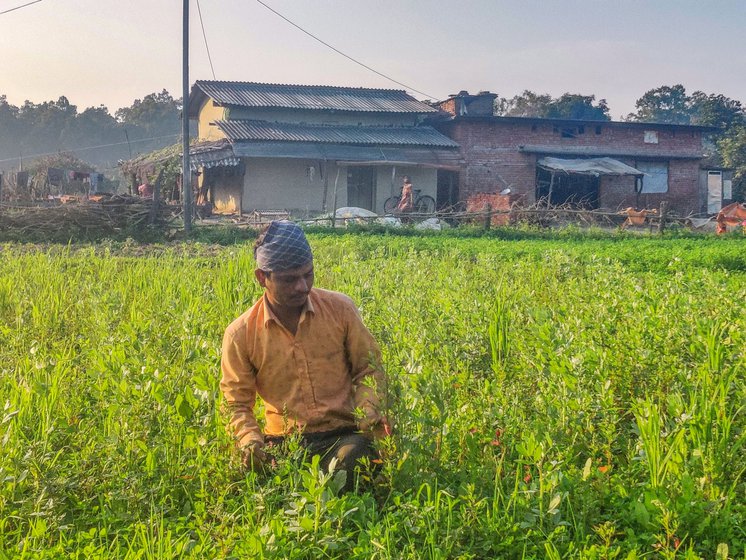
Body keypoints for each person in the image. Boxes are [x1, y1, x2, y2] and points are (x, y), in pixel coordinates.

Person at [220, 220, 389, 492]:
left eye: (307, 275)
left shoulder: (340, 310)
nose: (302, 286)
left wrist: (368, 407)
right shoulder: (240, 334)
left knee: (350, 465)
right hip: (284, 443)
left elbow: (368, 368)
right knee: (270, 486)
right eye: (289, 279)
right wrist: (250, 442)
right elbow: (236, 403)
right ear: (262, 277)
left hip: (343, 436)